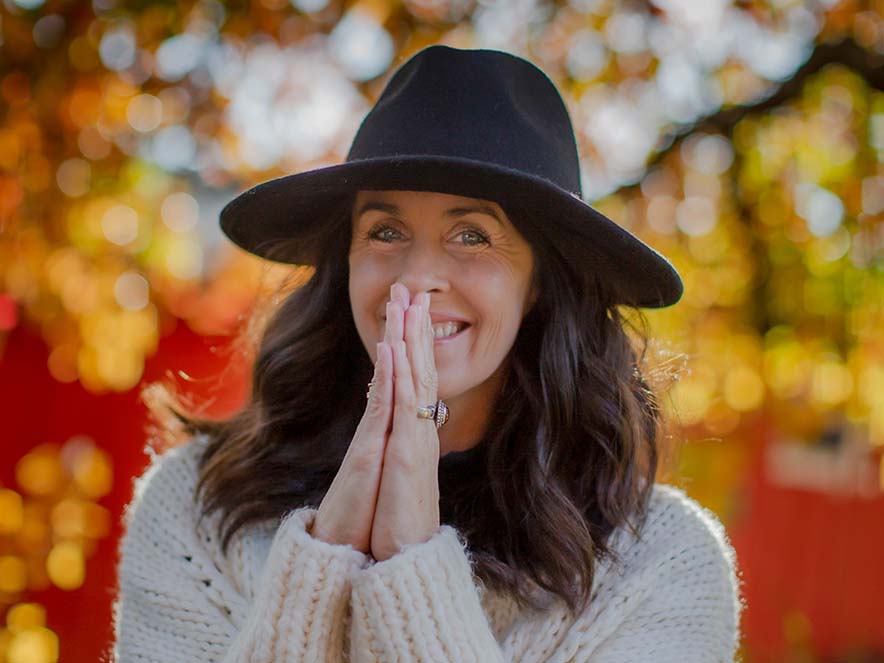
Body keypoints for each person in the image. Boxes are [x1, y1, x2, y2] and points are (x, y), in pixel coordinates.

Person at [111, 45, 744, 662]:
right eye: (385, 231)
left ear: (541, 284)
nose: (415, 278)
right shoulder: (194, 510)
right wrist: (321, 561)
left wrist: (412, 562)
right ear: (346, 261)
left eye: (472, 235)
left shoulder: (661, 568)